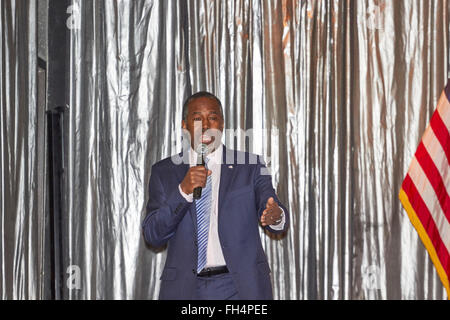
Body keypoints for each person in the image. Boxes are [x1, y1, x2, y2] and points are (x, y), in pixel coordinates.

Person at [142, 92, 289, 300]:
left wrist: (276, 215)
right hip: (186, 289)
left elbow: (272, 207)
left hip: (240, 288)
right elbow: (153, 235)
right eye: (197, 118)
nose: (206, 125)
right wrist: (182, 192)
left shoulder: (251, 166)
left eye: (212, 117)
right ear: (184, 125)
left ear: (221, 124)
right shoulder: (164, 172)